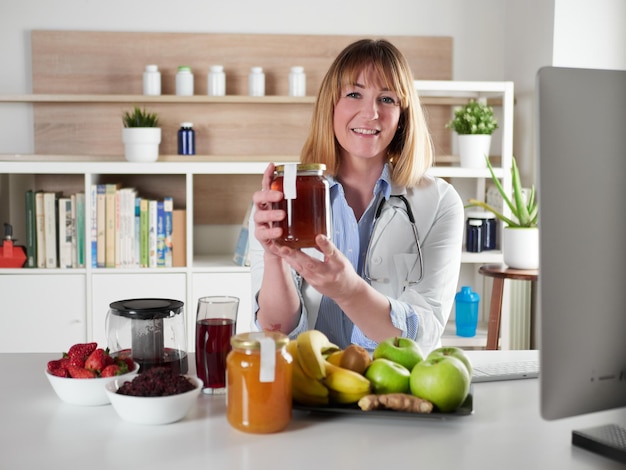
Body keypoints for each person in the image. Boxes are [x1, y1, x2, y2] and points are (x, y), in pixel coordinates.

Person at [249, 39, 463, 355]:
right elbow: (275, 331)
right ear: (330, 105)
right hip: (310, 382)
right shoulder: (285, 196)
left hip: (396, 386)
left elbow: (426, 329)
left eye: (387, 98)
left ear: (402, 115)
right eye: (354, 94)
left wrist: (349, 292)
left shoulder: (441, 203)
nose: (370, 113)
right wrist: (273, 258)